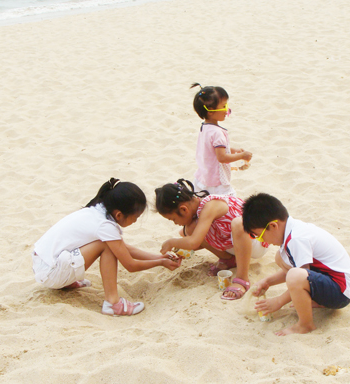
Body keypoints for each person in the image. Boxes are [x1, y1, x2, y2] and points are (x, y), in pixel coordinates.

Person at [32, 178, 181, 316]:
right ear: (119, 215)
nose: (135, 221)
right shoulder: (105, 226)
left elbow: (122, 247)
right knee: (105, 246)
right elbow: (130, 264)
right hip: (51, 274)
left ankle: (68, 281)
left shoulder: (97, 210)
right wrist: (160, 262)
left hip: (43, 264)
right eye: (135, 217)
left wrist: (159, 257)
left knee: (107, 244)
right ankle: (113, 303)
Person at [241, 193, 350, 336]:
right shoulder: (293, 230)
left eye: (259, 235)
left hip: (340, 292)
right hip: (334, 282)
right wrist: (268, 281)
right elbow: (300, 273)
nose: (260, 240)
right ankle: (315, 300)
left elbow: (298, 277)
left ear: (273, 225)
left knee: (294, 275)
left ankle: (305, 325)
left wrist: (278, 301)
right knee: (280, 258)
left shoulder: (296, 239)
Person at [155, 179, 267, 300]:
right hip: (234, 244)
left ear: (183, 209)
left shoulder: (211, 205)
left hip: (256, 241)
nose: (175, 223)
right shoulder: (197, 212)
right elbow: (195, 244)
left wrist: (171, 242)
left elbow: (194, 242)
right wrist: (180, 251)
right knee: (187, 231)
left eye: (173, 219)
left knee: (238, 224)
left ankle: (242, 279)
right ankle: (228, 259)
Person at [190, 83, 253, 196]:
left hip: (203, 177)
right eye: (223, 106)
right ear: (210, 111)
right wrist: (242, 156)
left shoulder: (204, 127)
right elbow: (222, 157)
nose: (227, 109)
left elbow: (212, 148)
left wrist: (234, 150)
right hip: (216, 183)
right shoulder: (217, 132)